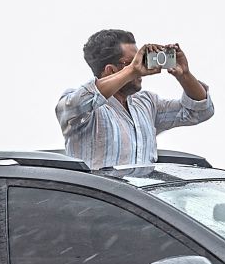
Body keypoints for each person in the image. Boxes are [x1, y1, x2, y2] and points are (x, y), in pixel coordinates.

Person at [56, 29, 215, 170]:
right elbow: (81, 101)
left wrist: (185, 75)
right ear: (110, 70)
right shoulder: (79, 109)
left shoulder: (146, 103)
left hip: (137, 202)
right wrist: (131, 71)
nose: (141, 66)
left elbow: (199, 112)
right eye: (134, 61)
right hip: (99, 202)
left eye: (141, 59)